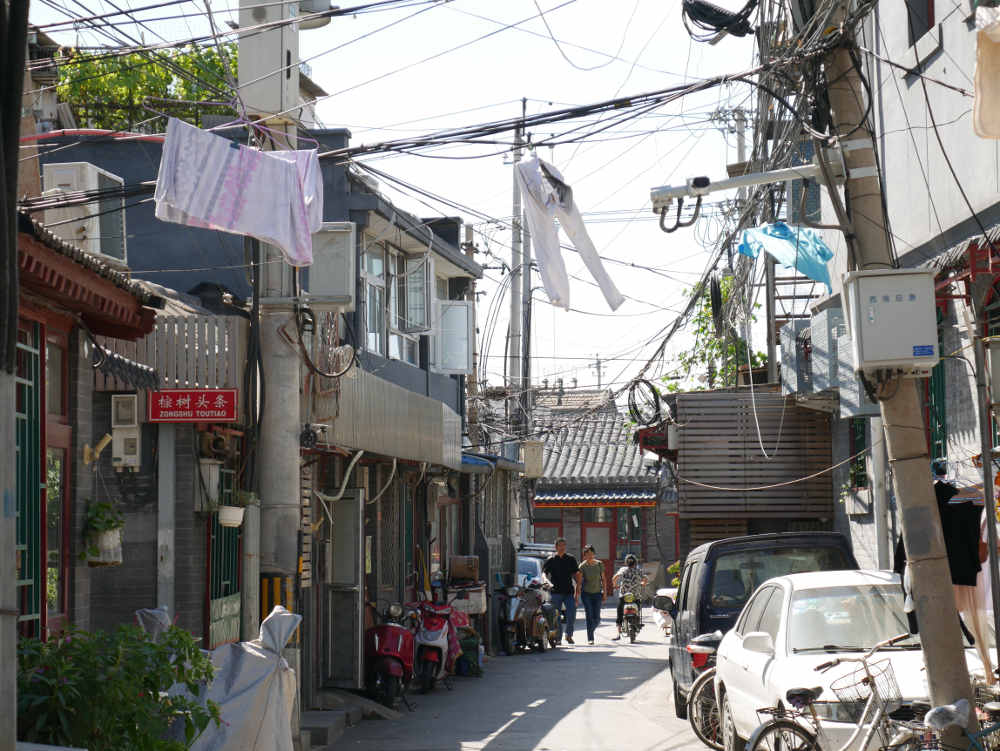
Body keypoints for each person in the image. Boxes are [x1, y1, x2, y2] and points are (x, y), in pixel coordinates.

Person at [542, 538, 582, 644]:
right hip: (555, 592)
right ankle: (558, 638)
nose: (562, 547)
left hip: (569, 592)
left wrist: (578, 589)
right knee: (556, 616)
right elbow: (544, 573)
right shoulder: (551, 559)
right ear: (556, 547)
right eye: (560, 545)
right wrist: (546, 581)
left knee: (571, 613)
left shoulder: (570, 559)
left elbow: (576, 574)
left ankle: (569, 635)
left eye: (564, 545)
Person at [612, 554, 647, 641]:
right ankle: (637, 622)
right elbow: (645, 579)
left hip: (624, 596)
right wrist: (643, 584)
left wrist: (615, 585)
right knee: (638, 610)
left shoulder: (623, 570)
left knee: (619, 613)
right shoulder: (639, 570)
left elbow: (614, 578)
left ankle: (618, 633)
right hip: (635, 596)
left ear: (626, 563)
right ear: (636, 562)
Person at [579, 544, 606, 644]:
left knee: (597, 618)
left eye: (591, 553)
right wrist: (576, 596)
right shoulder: (582, 566)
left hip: (597, 593)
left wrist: (605, 593)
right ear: (584, 555)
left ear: (594, 554)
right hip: (586, 594)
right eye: (587, 554)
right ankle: (590, 638)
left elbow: (604, 579)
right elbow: (579, 582)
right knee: (589, 616)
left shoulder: (599, 564)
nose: (590, 556)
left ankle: (590, 630)